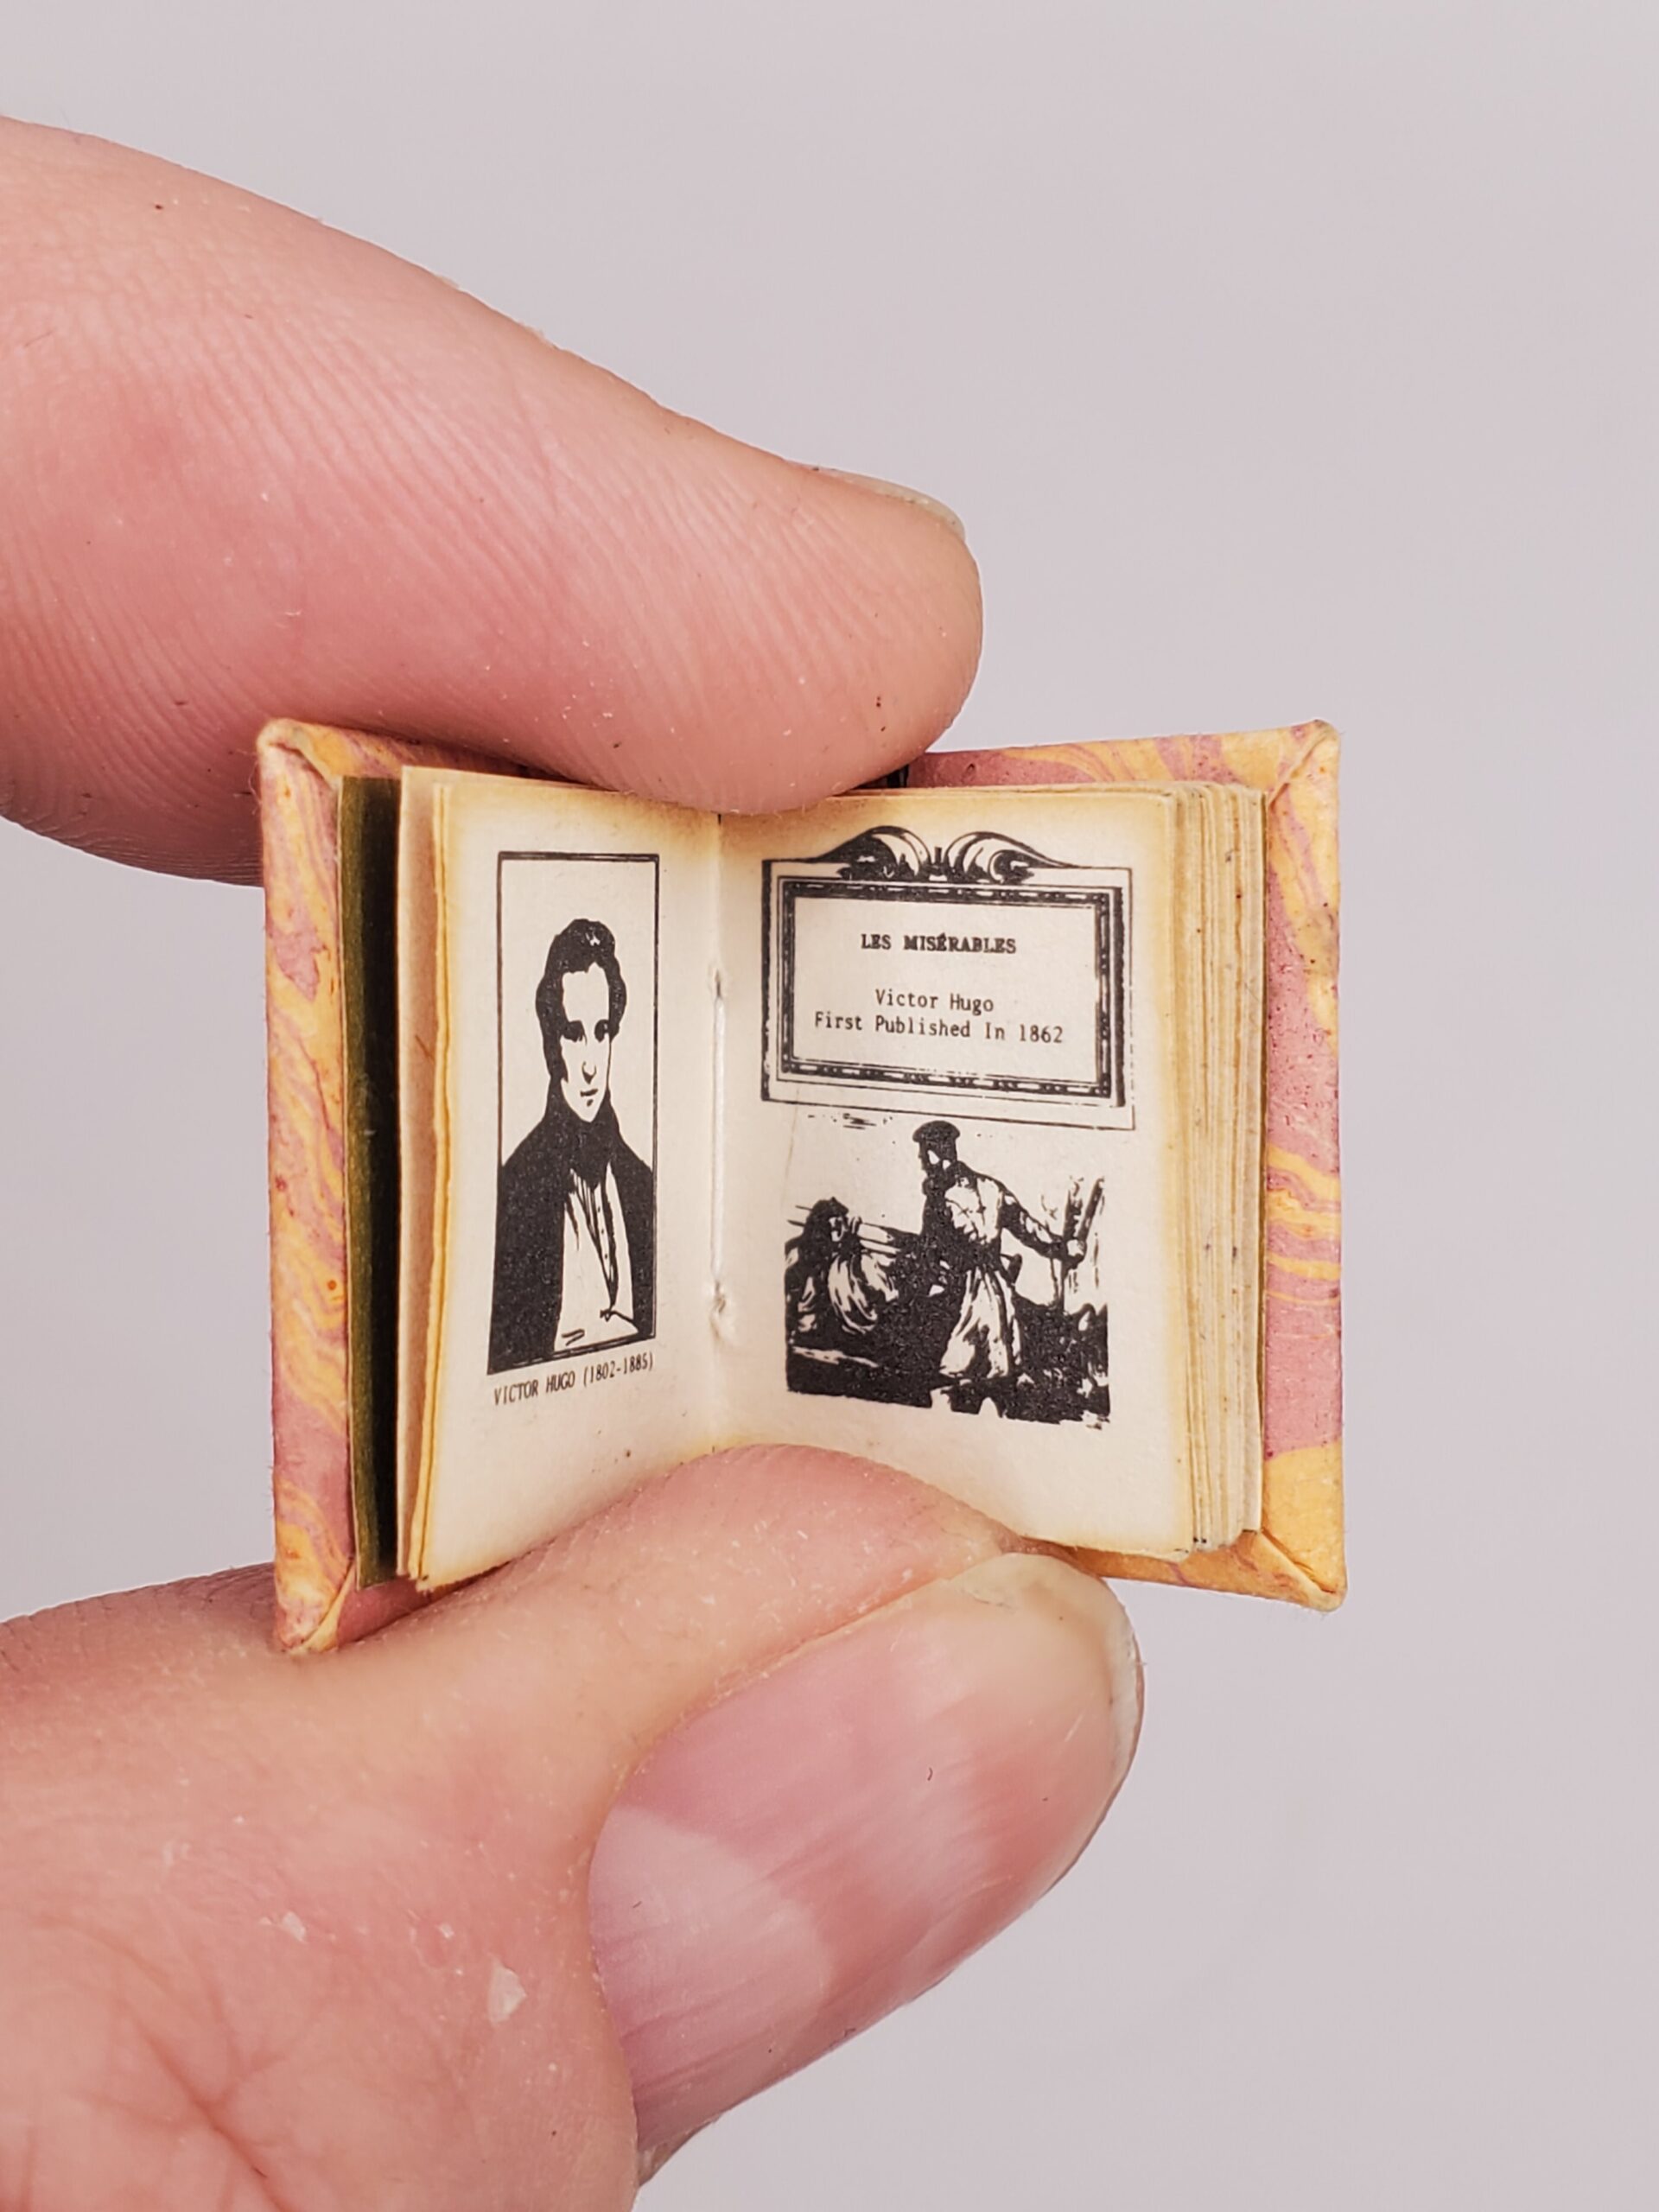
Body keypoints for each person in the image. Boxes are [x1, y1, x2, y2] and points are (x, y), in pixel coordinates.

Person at [0, 124, 1139, 2210]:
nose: (596, 1053)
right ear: (545, 1030)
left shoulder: (829, 1186)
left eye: (613, 1028)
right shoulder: (542, 1170)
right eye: (579, 1027)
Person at [489, 917, 655, 1370]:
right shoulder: (516, 1188)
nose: (590, 1065)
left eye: (601, 1032)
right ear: (552, 1042)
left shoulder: (641, 1185)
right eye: (574, 1033)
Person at [909, 1122, 1085, 1414]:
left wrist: (912, 1294)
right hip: (998, 1294)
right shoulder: (989, 1188)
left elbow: (928, 1255)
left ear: (937, 1152)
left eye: (924, 1153)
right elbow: (1030, 1230)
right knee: (996, 1369)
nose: (921, 1161)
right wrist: (1062, 1248)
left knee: (958, 1372)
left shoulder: (943, 1199)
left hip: (967, 1296)